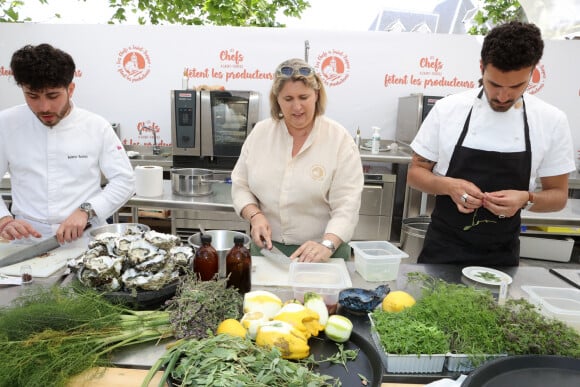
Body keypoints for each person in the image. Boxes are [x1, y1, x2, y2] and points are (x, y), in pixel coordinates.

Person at [407, 22, 575, 266]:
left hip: (502, 256)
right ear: (481, 67)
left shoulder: (551, 120)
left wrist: (526, 199)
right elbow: (415, 173)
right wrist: (447, 185)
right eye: (494, 84)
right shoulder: (448, 110)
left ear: (531, 72)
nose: (503, 96)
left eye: (516, 86)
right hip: (442, 250)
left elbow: (558, 196)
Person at [0, 43, 135, 244]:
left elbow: (124, 181)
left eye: (53, 96)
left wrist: (86, 210)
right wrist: (4, 219)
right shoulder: (6, 123)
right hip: (26, 239)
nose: (44, 107)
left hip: (84, 238)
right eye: (32, 96)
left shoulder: (96, 126)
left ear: (70, 89)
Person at [231, 58, 363, 262]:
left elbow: (348, 204)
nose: (297, 107)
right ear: (277, 100)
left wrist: (327, 244)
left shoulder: (339, 140)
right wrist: (254, 215)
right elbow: (240, 185)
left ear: (317, 95)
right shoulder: (260, 134)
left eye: (304, 97)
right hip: (268, 250)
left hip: (324, 252)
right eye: (288, 99)